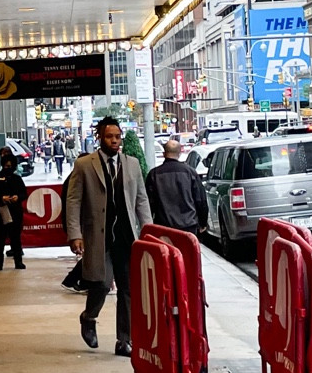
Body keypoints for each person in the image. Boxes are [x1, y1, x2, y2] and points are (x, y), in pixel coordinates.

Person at [64, 116, 152, 355]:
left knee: (127, 289)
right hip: (98, 237)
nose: (114, 141)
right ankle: (88, 317)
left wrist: (148, 230)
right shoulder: (85, 165)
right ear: (100, 138)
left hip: (126, 236)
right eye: (109, 137)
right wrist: (75, 234)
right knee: (101, 284)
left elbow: (141, 200)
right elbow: (73, 201)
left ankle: (124, 340)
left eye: (117, 136)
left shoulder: (132, 164)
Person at [147, 138, 209, 235]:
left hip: (163, 228)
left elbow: (149, 203)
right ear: (179, 153)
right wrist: (203, 222)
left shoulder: (154, 174)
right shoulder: (190, 172)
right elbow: (200, 200)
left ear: (164, 154)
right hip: (188, 226)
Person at [0, 149, 28, 271]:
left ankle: (18, 262)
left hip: (15, 211)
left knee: (16, 238)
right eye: (6, 166)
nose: (8, 168)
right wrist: (1, 198)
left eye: (11, 166)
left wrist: (17, 197)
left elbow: (24, 193)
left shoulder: (17, 179)